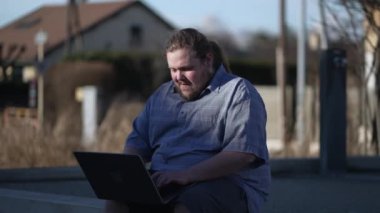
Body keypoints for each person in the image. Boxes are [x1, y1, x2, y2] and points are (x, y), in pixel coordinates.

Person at [105, 28, 270, 213]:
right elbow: (137, 142)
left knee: (188, 203)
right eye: (173, 70)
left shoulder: (238, 93)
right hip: (166, 184)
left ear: (208, 60)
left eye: (185, 69)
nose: (178, 77)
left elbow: (242, 154)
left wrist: (187, 175)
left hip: (223, 185)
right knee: (117, 200)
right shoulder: (161, 97)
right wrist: (125, 173)